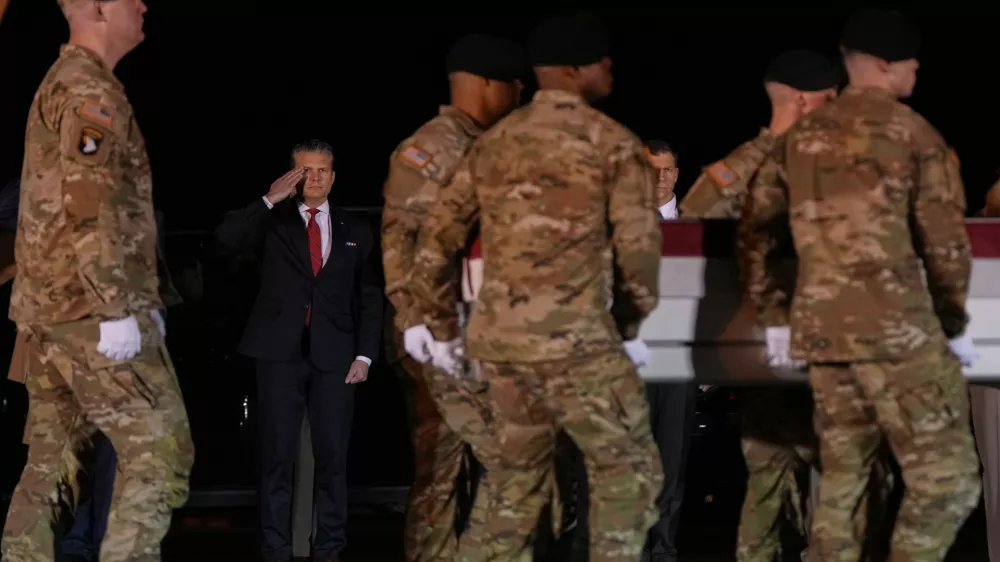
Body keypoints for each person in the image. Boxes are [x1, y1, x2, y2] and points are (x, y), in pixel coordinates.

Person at [408, 14, 663, 561]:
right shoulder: (613, 143)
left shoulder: (494, 144)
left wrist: (446, 328)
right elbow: (639, 254)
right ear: (575, 70)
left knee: (513, 487)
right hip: (577, 342)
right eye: (601, 58)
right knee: (630, 472)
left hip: (502, 346)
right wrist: (628, 326)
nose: (610, 66)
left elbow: (434, 241)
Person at [740, 9, 982, 562]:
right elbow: (946, 243)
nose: (917, 66)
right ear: (883, 65)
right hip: (898, 333)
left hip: (824, 337)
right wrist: (953, 322)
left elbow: (756, 234)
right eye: (910, 58)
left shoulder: (798, 141)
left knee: (843, 481)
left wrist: (776, 318)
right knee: (950, 478)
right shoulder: (914, 133)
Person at [1, 1, 195, 561]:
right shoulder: (90, 90)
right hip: (89, 315)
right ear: (98, 8)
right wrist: (117, 309)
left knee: (49, 466)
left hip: (51, 316)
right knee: (161, 451)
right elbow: (90, 205)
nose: (142, 6)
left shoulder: (65, 81)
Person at [380, 33, 524, 561]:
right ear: (486, 84)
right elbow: (400, 238)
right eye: (513, 86)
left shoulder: (489, 143)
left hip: (479, 336)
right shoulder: (434, 147)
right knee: (448, 471)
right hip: (437, 341)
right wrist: (418, 322)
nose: (519, 95)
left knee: (456, 471)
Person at [215, 139, 383, 562]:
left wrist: (365, 355)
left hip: (337, 360)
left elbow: (370, 295)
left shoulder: (355, 229)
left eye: (322, 170)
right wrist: (269, 198)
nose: (315, 177)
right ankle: (275, 550)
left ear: (333, 177)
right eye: (306, 170)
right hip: (278, 356)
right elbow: (225, 240)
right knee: (276, 458)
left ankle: (329, 549)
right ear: (293, 175)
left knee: (333, 459)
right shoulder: (272, 222)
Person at [645, 140, 680, 219]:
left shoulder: (696, 218)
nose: (661, 177)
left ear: (676, 175)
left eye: (667, 170)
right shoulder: (620, 219)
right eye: (653, 170)